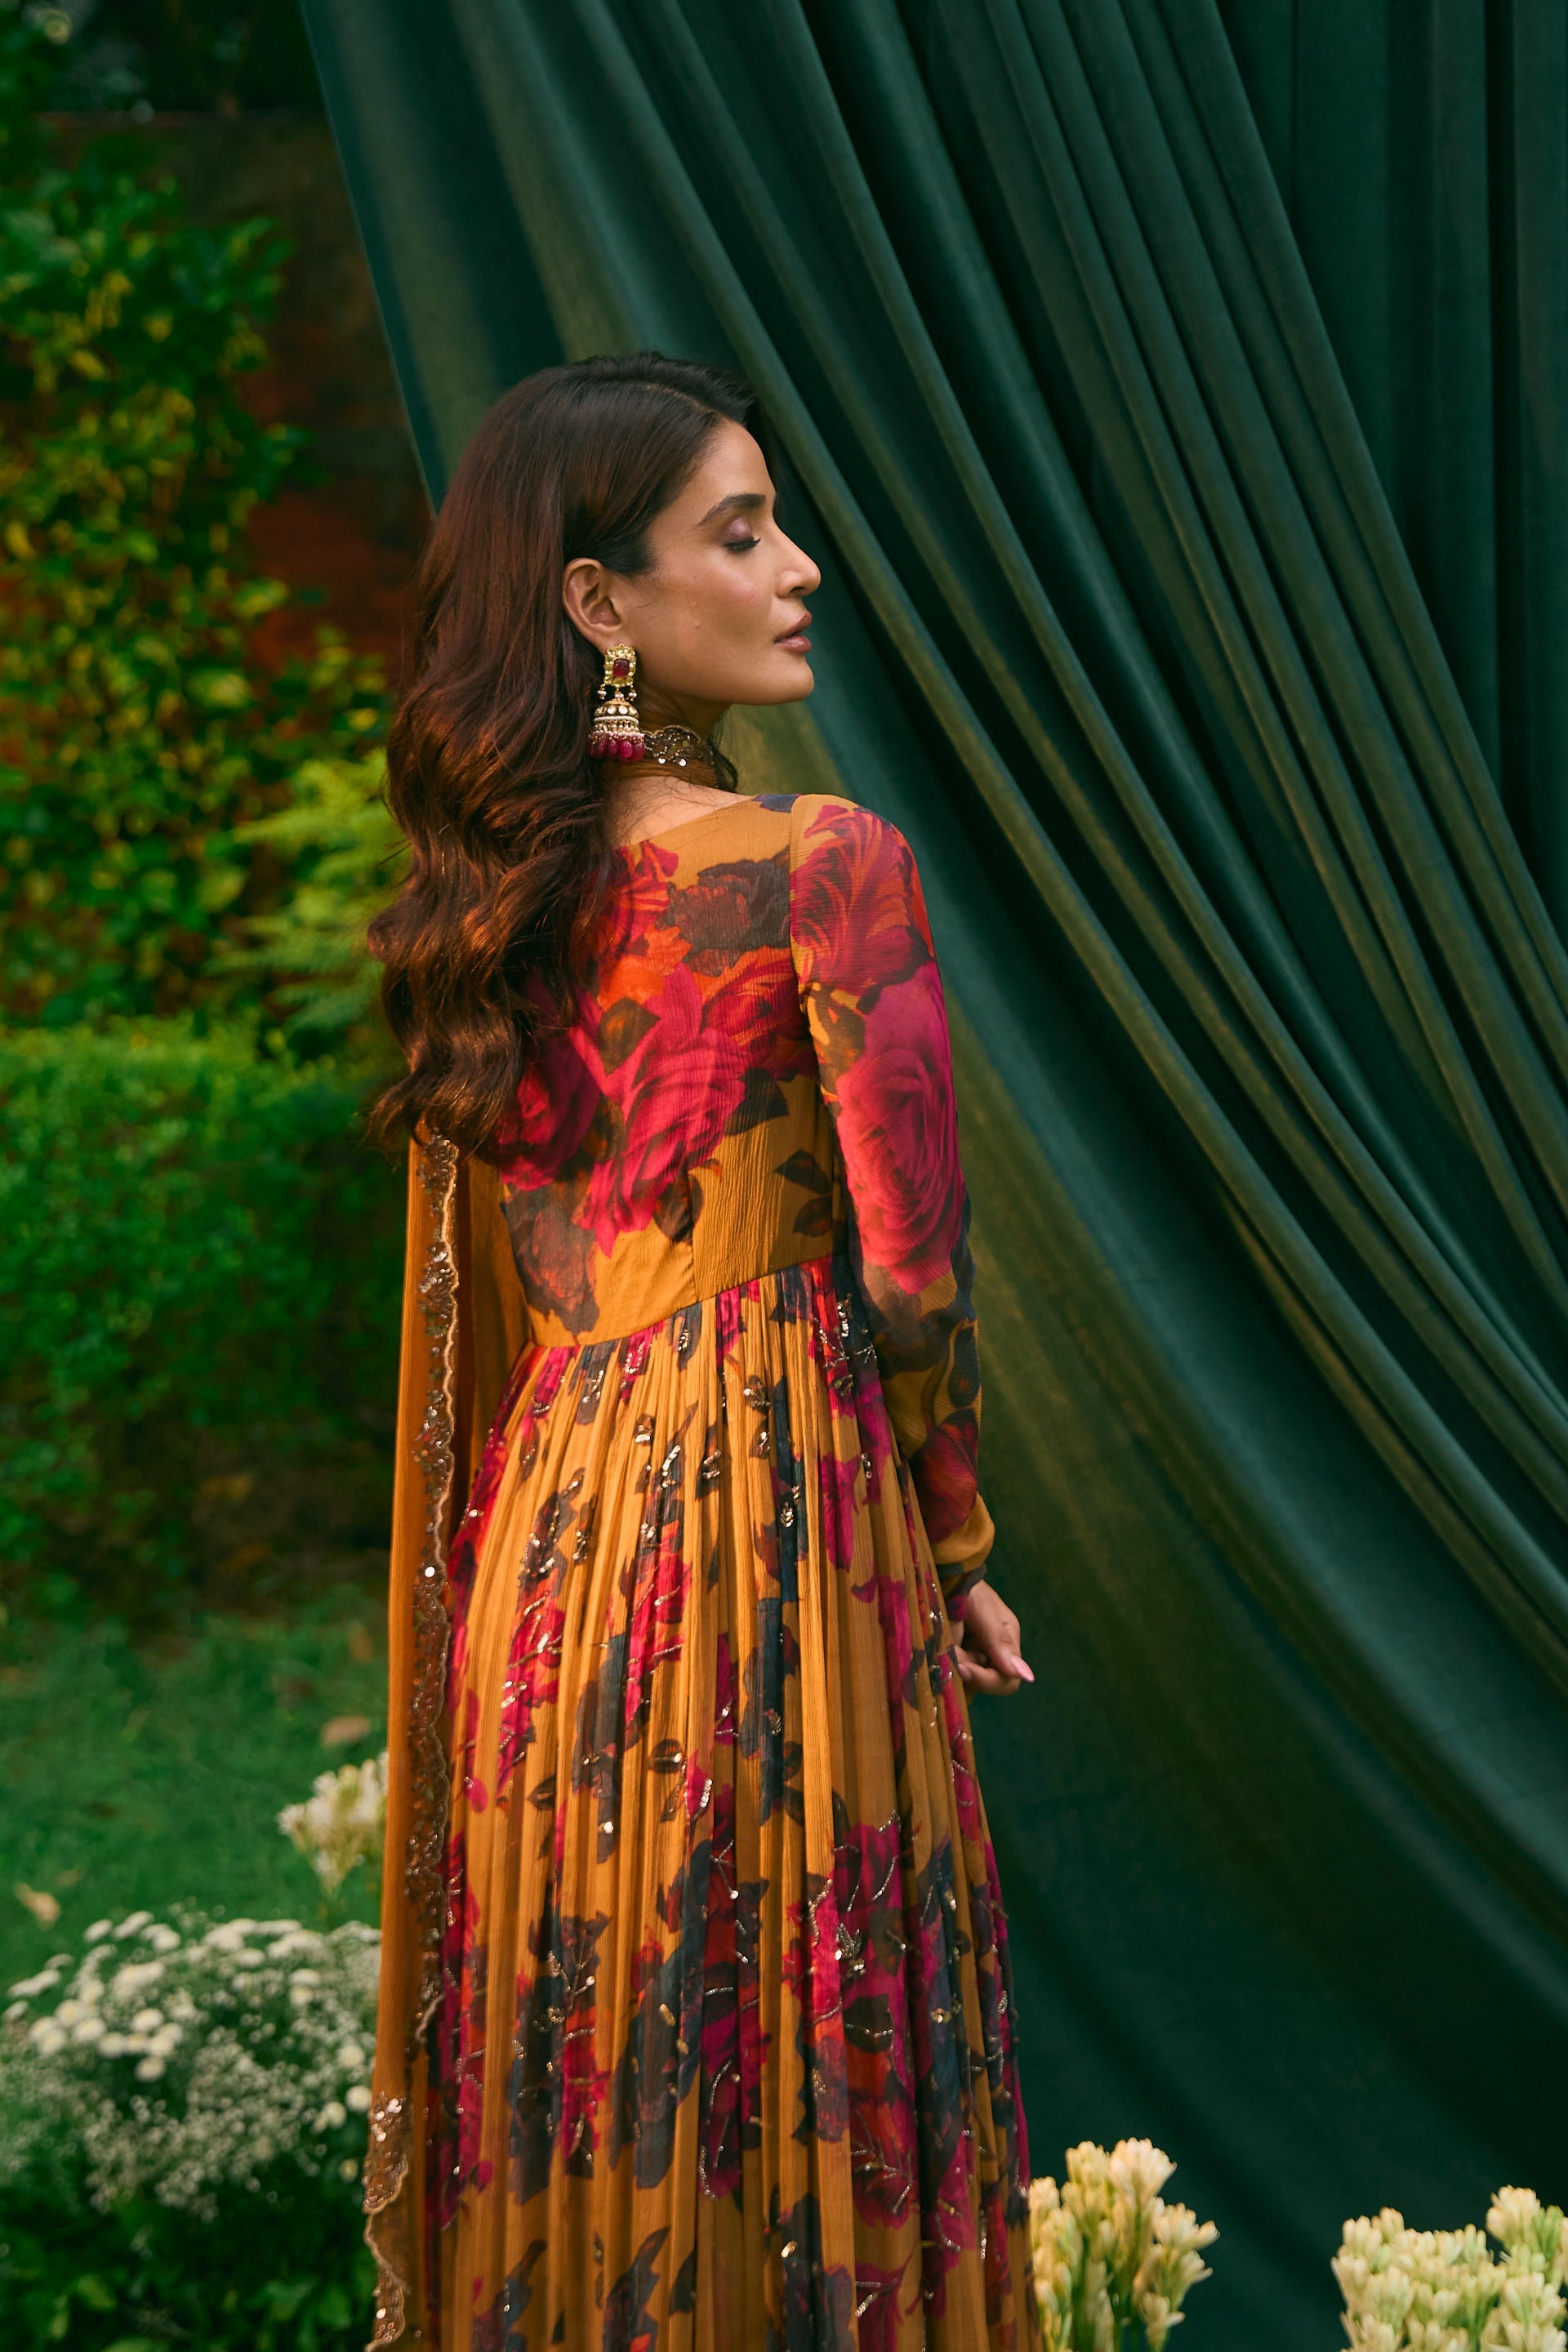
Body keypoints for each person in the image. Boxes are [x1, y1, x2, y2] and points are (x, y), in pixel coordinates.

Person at [361, 353, 1039, 2351]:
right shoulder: (821, 864)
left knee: (604, 2065)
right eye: (741, 534)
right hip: (773, 1530)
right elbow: (913, 1269)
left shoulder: (479, 917)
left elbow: (508, 1298)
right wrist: (957, 1538)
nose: (800, 568)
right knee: (801, 2068)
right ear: (601, 602)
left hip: (549, 1565)